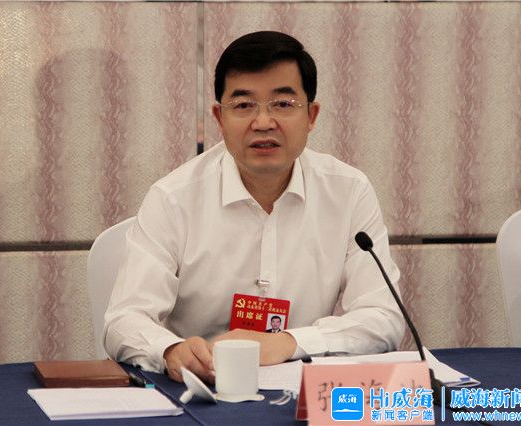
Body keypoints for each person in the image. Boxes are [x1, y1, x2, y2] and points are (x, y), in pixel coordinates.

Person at [104, 31, 404, 384]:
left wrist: (288, 343)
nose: (263, 122)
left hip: (303, 396)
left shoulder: (348, 191)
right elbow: (123, 320)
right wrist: (170, 351)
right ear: (219, 118)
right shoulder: (173, 199)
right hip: (203, 393)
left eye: (283, 104)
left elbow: (383, 316)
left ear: (311, 115)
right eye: (244, 105)